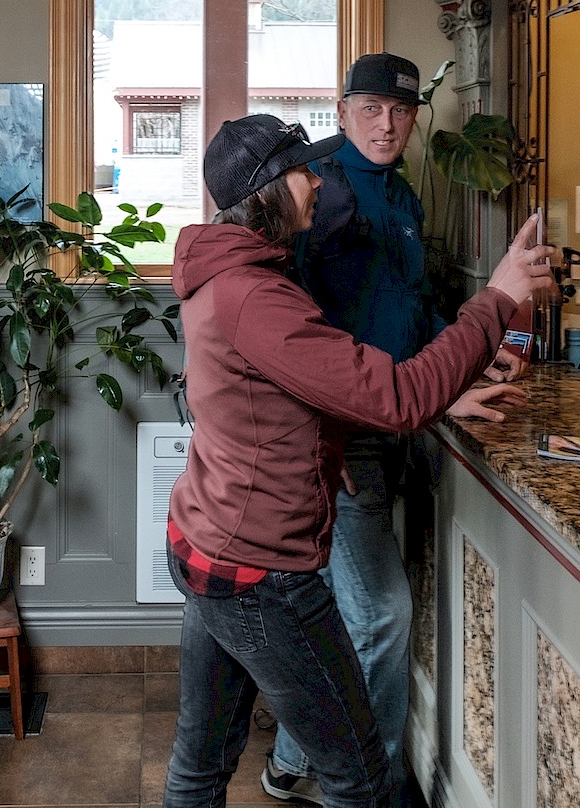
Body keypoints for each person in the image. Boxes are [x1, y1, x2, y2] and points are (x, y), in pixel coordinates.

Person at [164, 114, 555, 808]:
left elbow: (273, 395)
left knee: (200, 765)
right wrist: (497, 300)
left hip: (206, 546)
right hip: (260, 574)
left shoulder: (224, 276)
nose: (317, 181)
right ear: (266, 192)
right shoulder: (257, 296)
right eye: (303, 170)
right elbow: (399, 397)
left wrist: (327, 443)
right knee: (361, 778)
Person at [264, 52, 517, 804]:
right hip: (349, 435)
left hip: (404, 415)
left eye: (401, 111)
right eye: (370, 109)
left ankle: (289, 761)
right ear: (341, 113)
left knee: (355, 609)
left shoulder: (400, 194)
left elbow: (407, 307)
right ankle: (364, 782)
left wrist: (470, 363)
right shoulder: (322, 193)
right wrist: (318, 431)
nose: (387, 123)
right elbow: (296, 327)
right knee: (380, 612)